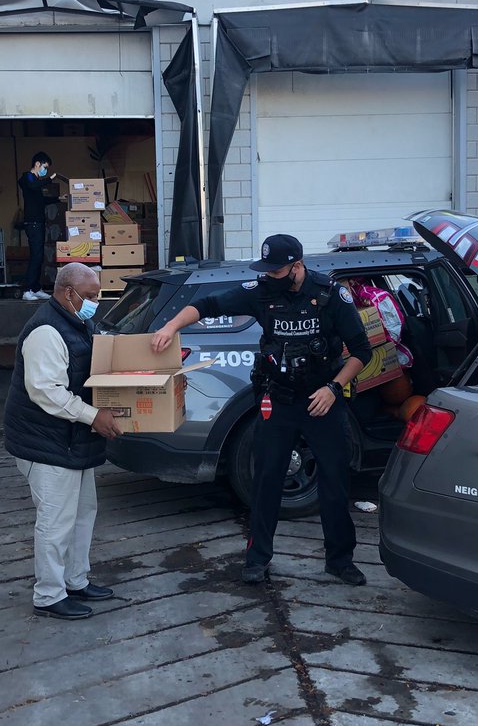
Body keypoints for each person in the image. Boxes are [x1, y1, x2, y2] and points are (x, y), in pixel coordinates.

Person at [150, 234, 372, 586]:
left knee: (335, 481)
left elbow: (362, 351)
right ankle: (257, 559)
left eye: (277, 270)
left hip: (322, 401)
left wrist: (333, 388)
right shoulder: (260, 291)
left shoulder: (330, 295)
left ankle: (340, 560)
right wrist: (170, 326)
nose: (269, 276)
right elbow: (207, 305)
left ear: (297, 266)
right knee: (266, 480)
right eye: (267, 269)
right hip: (278, 400)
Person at [3, 262, 124, 619]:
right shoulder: (46, 331)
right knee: (55, 522)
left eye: (98, 296)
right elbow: (46, 391)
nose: (95, 303)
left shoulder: (77, 322)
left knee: (83, 513)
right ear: (68, 292)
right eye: (90, 296)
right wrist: (93, 416)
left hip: (71, 439)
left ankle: (76, 580)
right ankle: (49, 595)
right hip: (45, 442)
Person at [17, 151, 60, 302]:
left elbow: (41, 200)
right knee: (36, 256)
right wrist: (50, 179)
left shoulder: (35, 181)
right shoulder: (27, 177)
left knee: (39, 256)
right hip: (33, 223)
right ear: (37, 164)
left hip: (38, 222)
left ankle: (35, 288)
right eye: (45, 167)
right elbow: (32, 186)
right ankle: (27, 290)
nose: (45, 170)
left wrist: (58, 198)